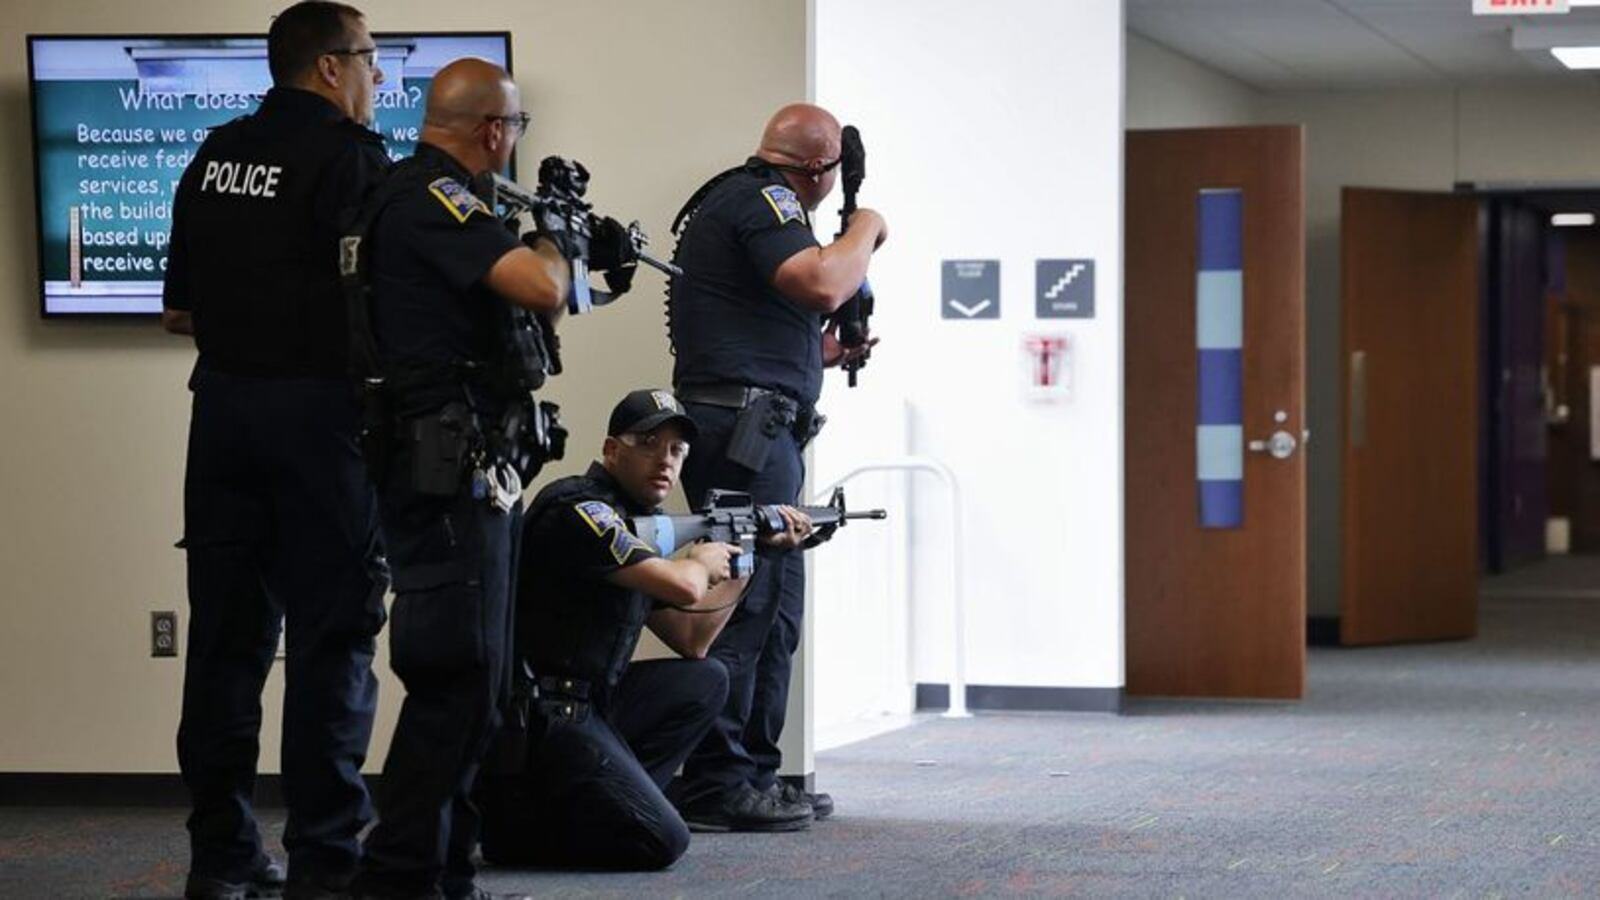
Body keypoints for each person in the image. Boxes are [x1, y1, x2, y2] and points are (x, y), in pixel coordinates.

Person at [161, 4, 390, 897]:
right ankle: (327, 867)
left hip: (220, 415)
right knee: (333, 644)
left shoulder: (216, 153)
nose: (380, 77)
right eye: (372, 59)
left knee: (224, 646)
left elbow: (179, 310)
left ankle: (220, 861)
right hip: (320, 425)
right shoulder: (354, 159)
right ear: (331, 68)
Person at [345, 57, 585, 900]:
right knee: (458, 679)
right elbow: (540, 281)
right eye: (514, 129)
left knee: (475, 684)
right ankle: (401, 874)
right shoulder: (435, 198)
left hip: (452, 463)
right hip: (443, 474)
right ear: (494, 131)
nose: (514, 144)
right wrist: (557, 232)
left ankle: (442, 869)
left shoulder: (420, 197)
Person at [475, 389, 815, 870]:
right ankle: (525, 832)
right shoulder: (581, 509)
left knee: (706, 680)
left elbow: (693, 639)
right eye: (649, 443)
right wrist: (700, 558)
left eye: (677, 451)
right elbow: (683, 587)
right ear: (613, 450)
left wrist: (753, 555)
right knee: (664, 842)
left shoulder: (636, 528)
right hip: (540, 720)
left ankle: (605, 809)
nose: (666, 460)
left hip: (591, 707)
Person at [665, 103, 888, 832]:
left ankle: (756, 773)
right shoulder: (762, 199)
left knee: (777, 611)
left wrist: (818, 356)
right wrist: (867, 228)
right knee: (745, 605)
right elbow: (822, 284)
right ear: (818, 170)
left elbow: (764, 320)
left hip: (761, 431)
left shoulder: (758, 203)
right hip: (742, 438)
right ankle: (715, 783)